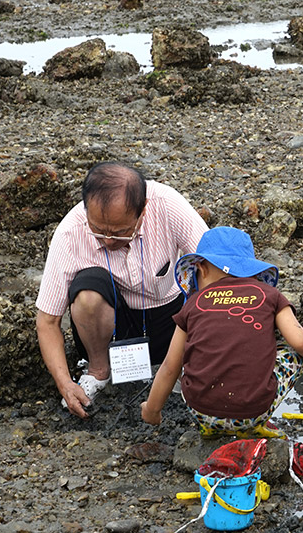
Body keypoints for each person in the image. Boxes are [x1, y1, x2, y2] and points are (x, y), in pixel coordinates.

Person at [36, 162, 207, 418]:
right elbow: (47, 320)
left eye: (120, 233)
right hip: (109, 328)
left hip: (171, 323)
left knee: (203, 285)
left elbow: (211, 267)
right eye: (98, 231)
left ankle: (184, 366)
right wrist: (64, 383)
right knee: (87, 294)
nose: (107, 240)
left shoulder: (167, 204)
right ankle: (98, 372)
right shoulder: (70, 231)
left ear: (143, 210)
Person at [141, 227, 303, 437]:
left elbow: (170, 367)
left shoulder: (193, 304)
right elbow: (300, 341)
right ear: (251, 269)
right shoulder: (270, 295)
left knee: (187, 355)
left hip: (200, 410)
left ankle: (210, 429)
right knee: (291, 351)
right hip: (253, 411)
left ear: (201, 269)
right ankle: (253, 426)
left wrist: (152, 410)